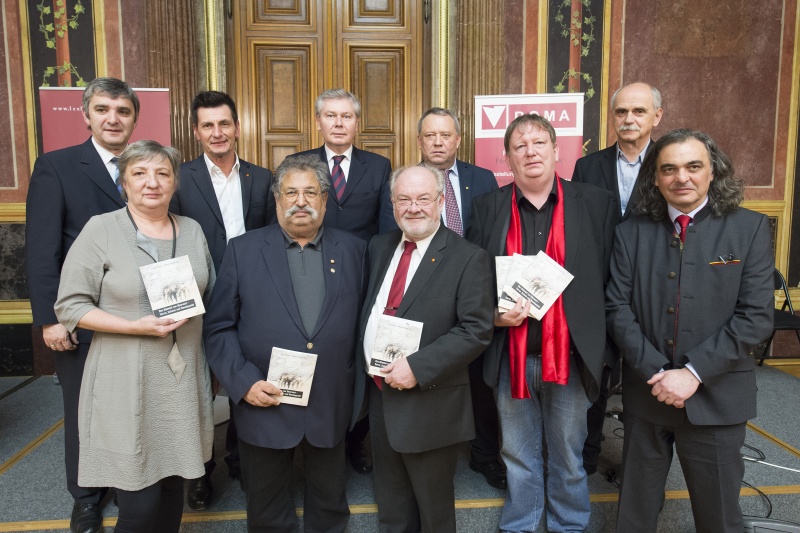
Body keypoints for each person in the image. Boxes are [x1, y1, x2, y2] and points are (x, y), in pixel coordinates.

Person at [606, 129, 773, 533]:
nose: (682, 177)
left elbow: (755, 317)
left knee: (719, 516)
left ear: (713, 171)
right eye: (669, 169)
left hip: (717, 398)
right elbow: (617, 308)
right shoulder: (631, 232)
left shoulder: (748, 228)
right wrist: (660, 373)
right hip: (648, 394)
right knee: (634, 514)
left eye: (693, 166)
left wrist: (692, 374)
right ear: (656, 178)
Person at [54, 140, 215, 533]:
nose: (152, 182)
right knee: (139, 508)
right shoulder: (101, 229)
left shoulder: (192, 230)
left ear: (175, 182)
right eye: (140, 173)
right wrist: (134, 326)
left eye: (162, 173)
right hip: (124, 379)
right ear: (123, 182)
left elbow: (209, 291)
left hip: (182, 377)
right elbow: (70, 306)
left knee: (173, 492)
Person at [467, 114, 616, 532]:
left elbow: (611, 280)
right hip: (510, 355)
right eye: (520, 145)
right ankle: (522, 523)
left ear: (556, 151)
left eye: (538, 143)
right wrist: (491, 315)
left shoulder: (595, 203)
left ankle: (569, 524)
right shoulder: (488, 207)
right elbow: (473, 279)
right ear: (508, 157)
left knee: (568, 454)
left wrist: (606, 353)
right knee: (516, 452)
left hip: (570, 355)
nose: (530, 151)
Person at [203, 155, 367, 532]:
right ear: (276, 201)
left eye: (311, 192)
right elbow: (218, 328)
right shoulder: (242, 250)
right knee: (266, 504)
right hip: (264, 397)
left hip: (330, 397)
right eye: (291, 192)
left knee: (329, 501)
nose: (301, 201)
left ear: (325, 200)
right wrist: (243, 383)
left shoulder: (355, 250)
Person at [352, 164, 495, 532]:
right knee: (393, 505)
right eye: (403, 199)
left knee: (433, 512)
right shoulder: (380, 247)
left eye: (423, 199)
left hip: (430, 402)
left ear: (440, 202)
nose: (413, 207)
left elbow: (476, 330)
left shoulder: (468, 256)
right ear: (393, 204)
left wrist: (417, 366)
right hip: (381, 397)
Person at [25, 77, 139, 533]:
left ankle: (126, 478)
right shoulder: (57, 167)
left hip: (139, 316)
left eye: (123, 111)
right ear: (87, 114)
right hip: (82, 318)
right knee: (83, 409)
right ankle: (86, 498)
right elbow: (41, 249)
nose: (113, 118)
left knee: (130, 404)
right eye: (103, 109)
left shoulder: (147, 165)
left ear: (134, 117)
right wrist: (50, 319)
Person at [170, 90, 276, 509]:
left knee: (243, 375)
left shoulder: (263, 178)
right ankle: (200, 471)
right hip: (199, 294)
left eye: (224, 123)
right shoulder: (180, 177)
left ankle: (239, 458)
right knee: (198, 386)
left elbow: (271, 239)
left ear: (237, 127)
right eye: (208, 125)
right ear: (196, 131)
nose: (218, 132)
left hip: (251, 296)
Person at [288, 88, 392, 474]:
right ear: (318, 122)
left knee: (355, 359)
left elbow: (385, 229)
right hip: (309, 273)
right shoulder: (297, 162)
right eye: (330, 116)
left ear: (356, 123)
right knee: (317, 354)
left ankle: (354, 441)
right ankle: (308, 436)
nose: (338, 123)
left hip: (360, 277)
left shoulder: (379, 166)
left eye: (346, 116)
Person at [571, 81, 662, 475]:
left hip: (656, 289)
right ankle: (589, 453)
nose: (628, 119)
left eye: (638, 112)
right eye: (622, 112)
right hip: (601, 287)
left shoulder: (671, 161)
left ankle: (641, 468)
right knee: (595, 371)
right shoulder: (587, 166)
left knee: (647, 377)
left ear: (656, 117)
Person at [417, 106, 504, 489]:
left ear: (458, 139)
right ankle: (430, 452)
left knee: (481, 378)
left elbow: (495, 233)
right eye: (430, 135)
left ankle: (485, 454)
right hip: (425, 295)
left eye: (445, 135)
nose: (438, 141)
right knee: (430, 373)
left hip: (475, 290)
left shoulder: (482, 179)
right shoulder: (406, 180)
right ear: (419, 141)